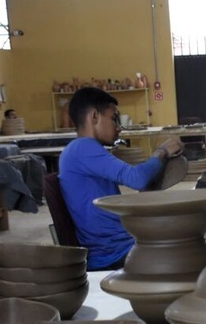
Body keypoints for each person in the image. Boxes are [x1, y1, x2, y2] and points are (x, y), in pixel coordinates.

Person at [58, 86, 183, 271]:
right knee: (188, 253)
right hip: (112, 255)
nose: (119, 127)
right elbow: (137, 178)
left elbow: (137, 185)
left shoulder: (84, 151)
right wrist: (162, 151)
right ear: (94, 116)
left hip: (120, 246)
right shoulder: (82, 148)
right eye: (113, 118)